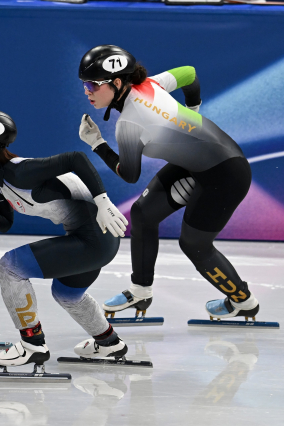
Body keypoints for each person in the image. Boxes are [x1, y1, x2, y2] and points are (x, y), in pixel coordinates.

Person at [77, 45, 257, 321]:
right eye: (84, 85)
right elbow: (189, 74)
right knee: (143, 213)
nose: (87, 91)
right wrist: (193, 109)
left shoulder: (129, 124)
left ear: (117, 83)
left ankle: (243, 301)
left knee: (195, 245)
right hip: (199, 164)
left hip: (226, 175)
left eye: (92, 85)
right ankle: (140, 291)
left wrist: (97, 143)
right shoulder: (150, 84)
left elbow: (129, 174)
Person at [0, 108, 130, 368]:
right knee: (67, 293)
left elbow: (75, 158)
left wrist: (103, 200)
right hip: (93, 239)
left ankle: (32, 344)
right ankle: (109, 342)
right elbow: (4, 223)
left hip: (95, 237)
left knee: (11, 266)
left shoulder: (20, 172)